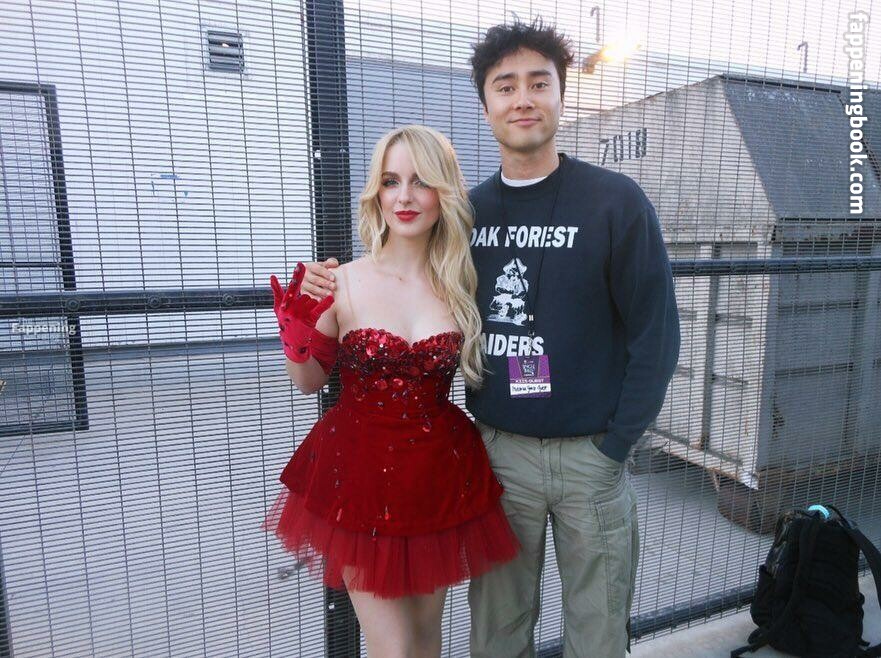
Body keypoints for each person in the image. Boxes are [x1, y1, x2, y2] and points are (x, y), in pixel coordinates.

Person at [302, 19, 681, 658]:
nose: (523, 99)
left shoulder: (615, 202)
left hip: (591, 457)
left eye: (539, 83)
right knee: (497, 635)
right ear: (486, 106)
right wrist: (323, 289)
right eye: (506, 87)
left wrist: (616, 444)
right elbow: (398, 268)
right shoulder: (465, 219)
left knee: (598, 632)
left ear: (562, 95)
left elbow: (657, 337)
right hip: (497, 456)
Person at [262, 124, 520, 658]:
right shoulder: (341, 281)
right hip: (358, 480)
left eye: (420, 181)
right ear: (376, 193)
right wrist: (295, 330)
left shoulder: (462, 284)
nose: (404, 197)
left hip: (437, 478)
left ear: (443, 193)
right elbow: (308, 382)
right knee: (394, 649)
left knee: (425, 640)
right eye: (390, 181)